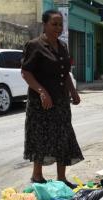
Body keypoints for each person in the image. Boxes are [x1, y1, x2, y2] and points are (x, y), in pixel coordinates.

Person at [21, 9, 83, 188]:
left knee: (63, 136)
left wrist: (73, 91)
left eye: (60, 24)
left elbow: (65, 73)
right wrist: (42, 91)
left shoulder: (63, 46)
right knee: (40, 137)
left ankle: (61, 179)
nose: (58, 27)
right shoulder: (34, 45)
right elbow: (26, 72)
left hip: (61, 101)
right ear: (45, 24)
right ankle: (37, 177)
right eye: (54, 24)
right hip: (41, 103)